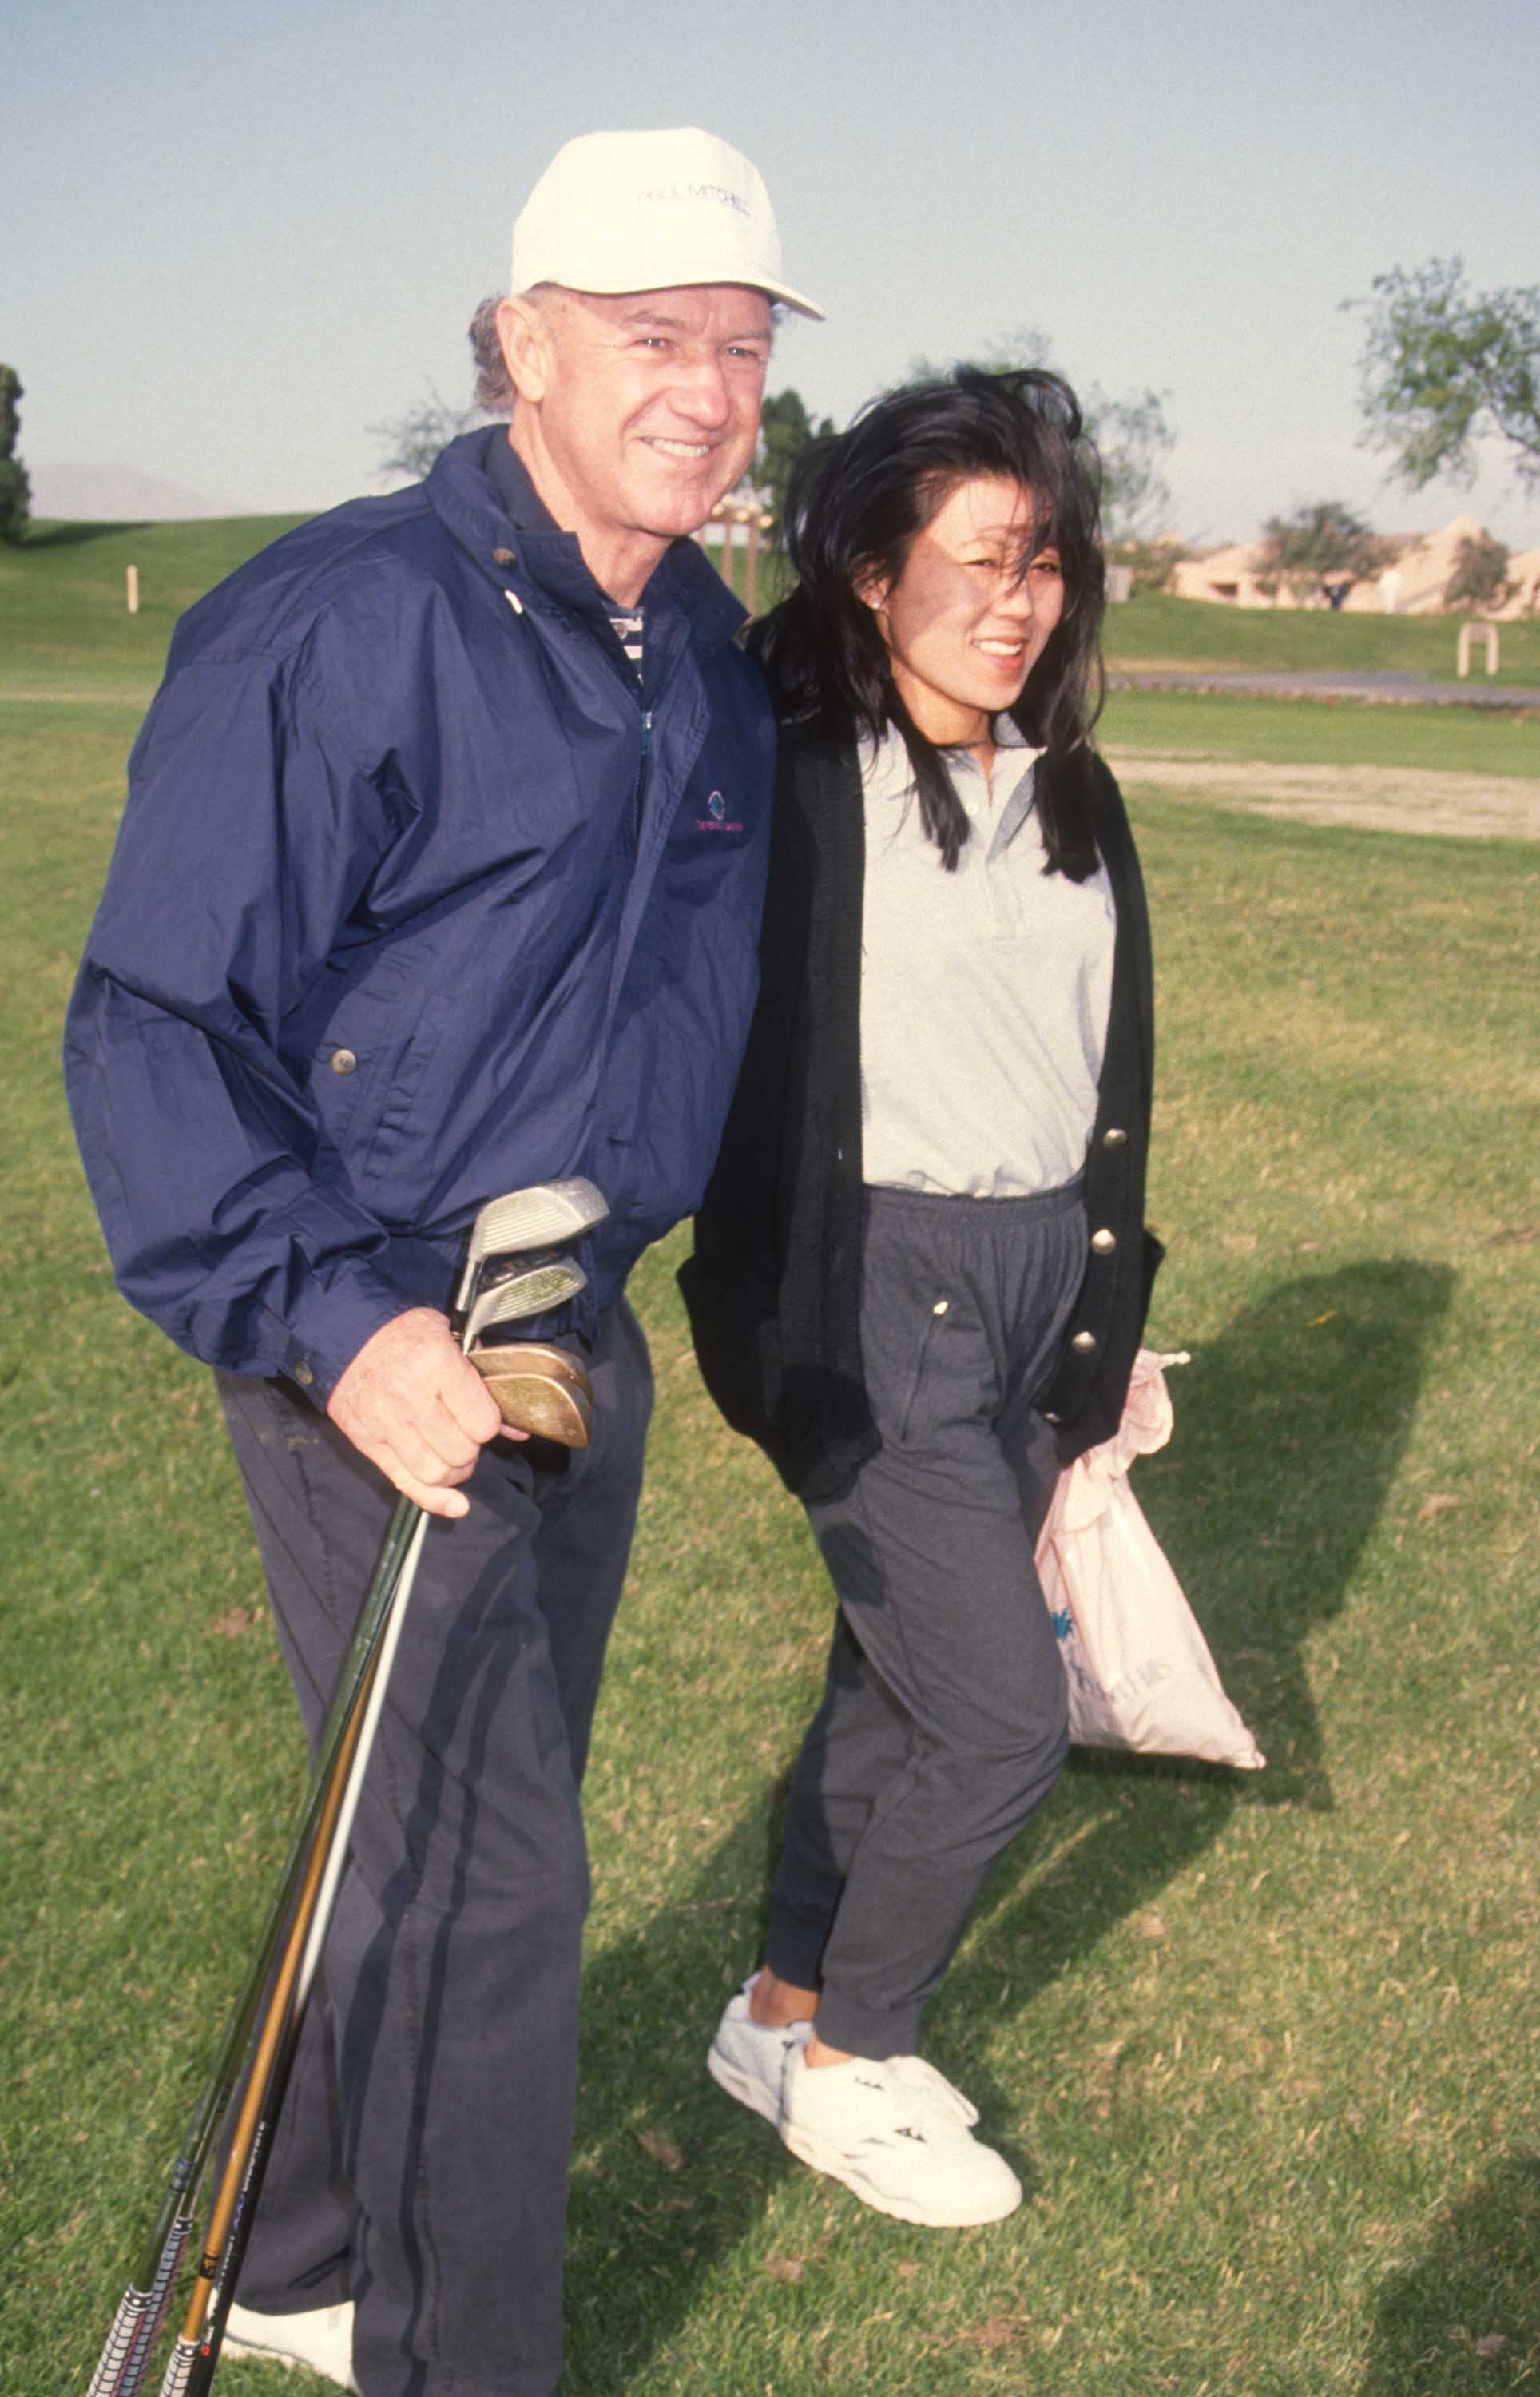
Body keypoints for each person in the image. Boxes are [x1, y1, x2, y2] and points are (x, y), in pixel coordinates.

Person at [64, 127, 820, 2397]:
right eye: (653, 337)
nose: (705, 390)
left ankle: (291, 2253)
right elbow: (155, 1025)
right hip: (369, 1321)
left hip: (567, 1337)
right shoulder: (341, 615)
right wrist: (333, 1316)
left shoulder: (692, 636)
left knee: (442, 1827)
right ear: (522, 343)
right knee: (497, 1880)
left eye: (744, 349)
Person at [681, 367, 1161, 2229]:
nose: (1018, 598)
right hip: (875, 1298)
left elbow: (1097, 1083)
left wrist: (1104, 1336)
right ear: (870, 573)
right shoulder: (796, 763)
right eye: (973, 557)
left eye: (1042, 558)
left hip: (1040, 1295)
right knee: (1000, 1722)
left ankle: (781, 2011)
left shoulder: (1069, 787)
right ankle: (853, 2068)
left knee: (895, 1690)